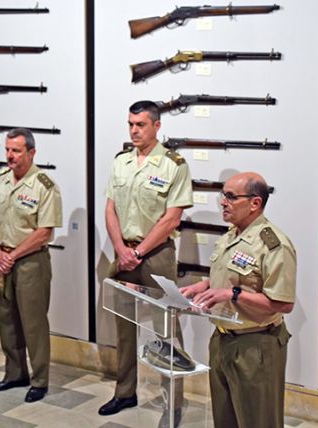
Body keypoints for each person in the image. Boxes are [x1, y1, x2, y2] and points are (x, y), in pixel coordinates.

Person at [99, 101, 193, 421]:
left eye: (140, 124)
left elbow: (172, 218)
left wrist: (137, 253)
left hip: (155, 255)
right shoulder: (121, 162)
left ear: (156, 126)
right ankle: (125, 392)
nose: (134, 130)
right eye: (130, 124)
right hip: (123, 253)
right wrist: (120, 247)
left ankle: (173, 402)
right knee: (123, 327)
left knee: (166, 330)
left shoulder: (174, 164)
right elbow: (110, 208)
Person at [180, 172, 296, 428]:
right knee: (225, 420)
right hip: (222, 340)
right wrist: (205, 285)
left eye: (231, 197)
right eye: (223, 195)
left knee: (258, 421)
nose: (223, 202)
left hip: (255, 346)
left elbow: (283, 303)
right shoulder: (230, 236)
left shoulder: (274, 245)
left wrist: (232, 295)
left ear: (255, 203)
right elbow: (232, 279)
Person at [0, 128, 63, 403]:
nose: (10, 155)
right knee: (7, 320)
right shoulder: (2, 180)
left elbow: (44, 232)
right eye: (7, 149)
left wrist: (13, 255)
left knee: (33, 324)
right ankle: (14, 373)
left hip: (31, 262)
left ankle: (39, 380)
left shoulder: (44, 186)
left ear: (31, 152)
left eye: (16, 150)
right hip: (3, 261)